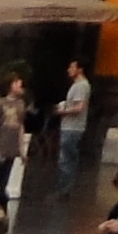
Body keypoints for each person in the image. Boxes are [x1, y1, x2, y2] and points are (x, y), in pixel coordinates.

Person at [0, 75, 27, 220]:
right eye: (17, 83)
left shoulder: (21, 105)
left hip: (11, 149)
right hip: (0, 147)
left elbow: (21, 126)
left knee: (5, 180)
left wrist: (21, 149)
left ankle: (0, 213)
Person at [51, 61, 90, 194]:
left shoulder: (80, 86)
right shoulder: (77, 85)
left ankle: (63, 188)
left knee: (66, 159)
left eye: (72, 67)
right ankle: (63, 187)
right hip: (70, 126)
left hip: (72, 128)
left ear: (80, 69)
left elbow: (79, 107)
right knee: (67, 158)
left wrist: (63, 111)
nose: (69, 70)